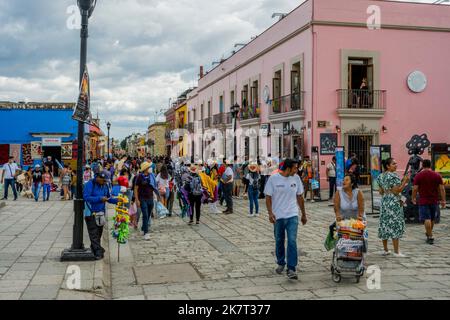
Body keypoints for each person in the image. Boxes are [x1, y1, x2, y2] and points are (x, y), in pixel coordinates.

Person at [264, 159, 307, 280]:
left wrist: (303, 214)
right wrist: (270, 213)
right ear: (288, 168)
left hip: (292, 214)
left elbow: (300, 197)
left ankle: (292, 268)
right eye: (295, 168)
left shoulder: (296, 178)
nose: (297, 170)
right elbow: (268, 197)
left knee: (292, 240)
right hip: (278, 216)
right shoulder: (273, 179)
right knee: (279, 240)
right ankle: (281, 262)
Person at [377, 158, 410, 257]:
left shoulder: (380, 176)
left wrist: (388, 192)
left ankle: (386, 249)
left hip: (385, 201)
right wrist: (405, 181)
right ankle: (396, 251)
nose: (396, 165)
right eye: (393, 164)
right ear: (388, 166)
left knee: (385, 223)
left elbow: (381, 191)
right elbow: (397, 191)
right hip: (394, 202)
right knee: (395, 224)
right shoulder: (394, 176)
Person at [83, 172, 118, 260]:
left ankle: (95, 249)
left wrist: (118, 200)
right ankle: (98, 252)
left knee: (99, 233)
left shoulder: (105, 185)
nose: (105, 182)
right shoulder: (90, 184)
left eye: (106, 181)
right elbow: (86, 197)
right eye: (104, 180)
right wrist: (99, 198)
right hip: (90, 212)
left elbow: (108, 198)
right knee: (94, 234)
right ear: (98, 178)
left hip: (101, 213)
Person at [412, 159, 446, 245]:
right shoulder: (437, 175)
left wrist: (413, 198)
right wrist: (443, 200)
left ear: (422, 165)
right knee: (432, 218)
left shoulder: (418, 176)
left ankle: (430, 236)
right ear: (430, 165)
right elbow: (442, 189)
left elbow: (415, 188)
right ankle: (429, 233)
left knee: (426, 218)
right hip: (434, 200)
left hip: (423, 200)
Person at [134, 162, 160, 240]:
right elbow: (136, 188)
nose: (150, 168)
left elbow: (154, 186)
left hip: (150, 198)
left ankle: (143, 227)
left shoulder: (151, 176)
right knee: (145, 215)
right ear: (145, 169)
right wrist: (137, 199)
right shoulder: (139, 177)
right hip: (142, 198)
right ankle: (146, 232)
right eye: (149, 167)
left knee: (148, 215)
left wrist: (157, 195)